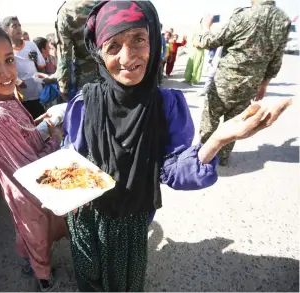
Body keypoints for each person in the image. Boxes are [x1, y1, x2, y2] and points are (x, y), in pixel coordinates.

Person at [62, 1, 290, 291]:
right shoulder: (85, 103)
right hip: (86, 215)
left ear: (154, 40)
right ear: (98, 52)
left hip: (131, 223)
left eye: (138, 40)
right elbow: (70, 158)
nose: (127, 56)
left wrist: (219, 138)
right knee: (88, 277)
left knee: (124, 285)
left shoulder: (166, 106)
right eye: (113, 45)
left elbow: (173, 169)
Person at [0, 20, 68, 292]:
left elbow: (22, 135)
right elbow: (33, 168)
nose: (6, 72)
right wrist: (56, 139)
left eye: (8, 59)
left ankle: (31, 260)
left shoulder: (2, 96)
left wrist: (40, 127)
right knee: (37, 235)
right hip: (28, 193)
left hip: (22, 188)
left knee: (30, 231)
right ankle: (43, 278)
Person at [198, 0, 291, 166]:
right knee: (235, 121)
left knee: (210, 117)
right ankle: (223, 157)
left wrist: (206, 26)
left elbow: (211, 42)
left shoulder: (244, 15)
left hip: (226, 80)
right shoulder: (283, 20)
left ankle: (205, 157)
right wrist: (264, 84)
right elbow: (277, 58)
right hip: (251, 84)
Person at [2, 16, 47, 119]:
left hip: (38, 94)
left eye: (19, 25)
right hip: (20, 98)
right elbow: (4, 71)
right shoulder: (6, 50)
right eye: (14, 26)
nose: (18, 28)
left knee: (42, 123)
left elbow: (41, 66)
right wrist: (16, 80)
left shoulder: (31, 45)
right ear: (6, 31)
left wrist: (43, 82)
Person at [55, 0, 100, 101]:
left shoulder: (67, 10)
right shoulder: (109, 3)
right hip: (117, 78)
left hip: (88, 84)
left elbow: (65, 57)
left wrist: (64, 88)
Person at [184, 20, 205, 85]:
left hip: (200, 51)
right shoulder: (197, 31)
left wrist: (201, 45)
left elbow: (207, 42)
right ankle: (187, 78)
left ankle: (194, 80)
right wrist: (194, 43)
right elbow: (192, 40)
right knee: (190, 64)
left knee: (197, 65)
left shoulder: (206, 32)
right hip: (193, 50)